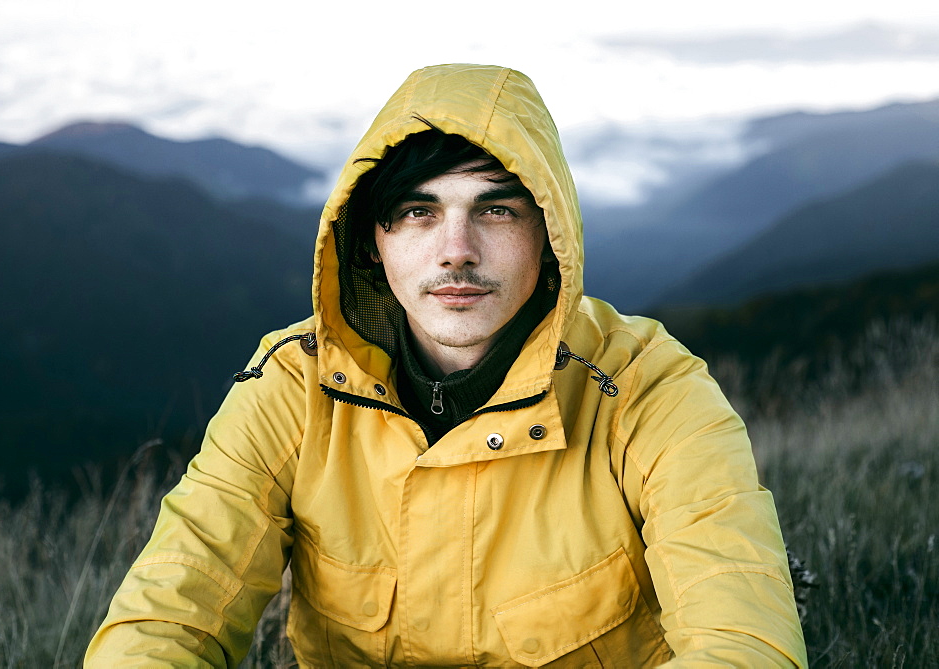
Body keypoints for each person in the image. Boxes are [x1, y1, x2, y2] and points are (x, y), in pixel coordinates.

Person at [86, 64, 807, 667]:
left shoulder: (649, 389)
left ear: (549, 234)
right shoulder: (293, 385)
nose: (456, 248)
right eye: (418, 211)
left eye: (495, 211)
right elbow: (168, 615)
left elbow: (741, 638)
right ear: (372, 240)